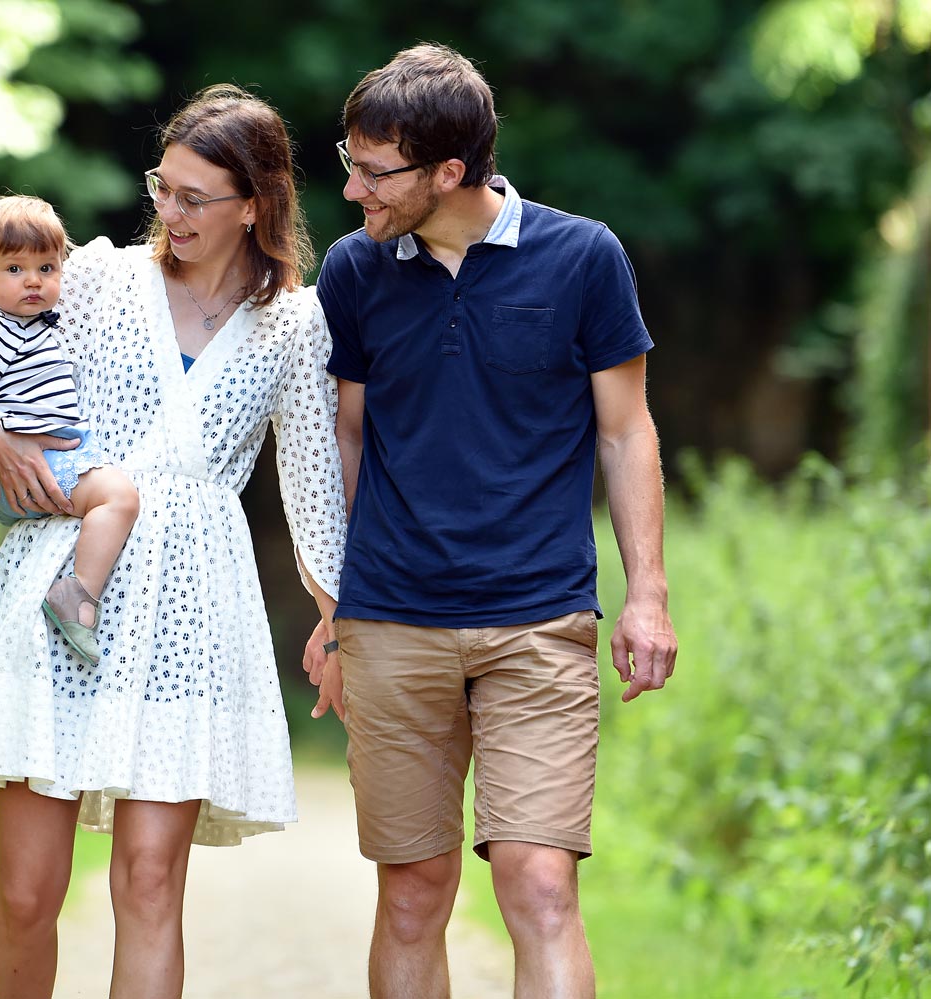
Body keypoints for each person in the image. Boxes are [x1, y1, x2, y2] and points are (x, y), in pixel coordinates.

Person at [0, 83, 345, 999]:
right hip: (66, 575)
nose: (169, 211)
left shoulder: (295, 324)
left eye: (194, 198)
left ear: (255, 205)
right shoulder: (103, 275)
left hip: (191, 604)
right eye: (164, 186)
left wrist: (333, 616)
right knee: (27, 892)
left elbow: (312, 483)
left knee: (150, 884)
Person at [303, 42, 679, 999]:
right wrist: (333, 602)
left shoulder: (583, 256)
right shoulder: (354, 272)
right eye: (349, 164)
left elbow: (626, 431)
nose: (352, 191)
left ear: (450, 171)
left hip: (539, 617)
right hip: (390, 620)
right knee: (411, 893)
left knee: (541, 885)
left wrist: (647, 597)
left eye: (373, 171)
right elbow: (341, 440)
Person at [0, 194, 140, 664]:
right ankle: (78, 597)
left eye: (47, 268)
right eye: (14, 270)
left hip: (53, 458)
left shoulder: (25, 323)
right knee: (120, 497)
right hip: (34, 464)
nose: (33, 281)